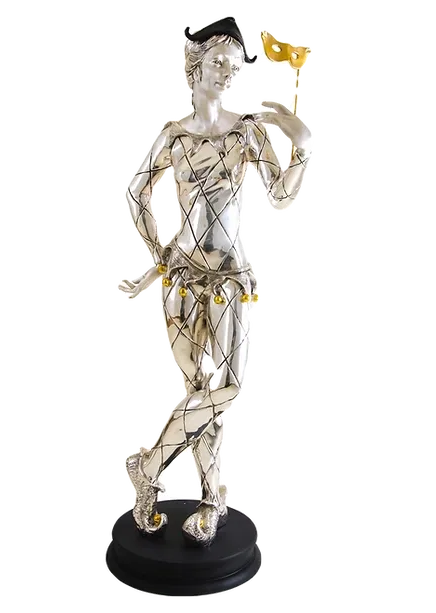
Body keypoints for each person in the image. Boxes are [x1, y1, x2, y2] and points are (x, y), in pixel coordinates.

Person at [120, 15, 313, 546]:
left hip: (230, 281)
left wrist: (299, 143)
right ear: (194, 66)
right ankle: (211, 501)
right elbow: (137, 196)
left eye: (234, 64)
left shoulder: (246, 132)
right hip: (182, 283)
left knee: (227, 389)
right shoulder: (173, 137)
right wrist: (160, 255)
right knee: (198, 392)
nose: (228, 71)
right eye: (219, 61)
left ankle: (147, 465)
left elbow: (283, 193)